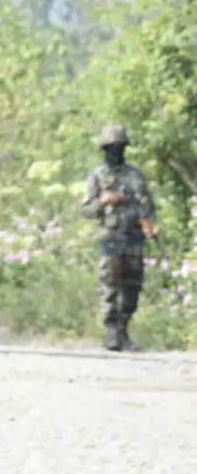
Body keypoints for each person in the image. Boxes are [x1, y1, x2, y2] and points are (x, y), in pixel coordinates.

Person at [80, 124, 158, 351]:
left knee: (132, 287)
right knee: (110, 286)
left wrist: (149, 225)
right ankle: (112, 332)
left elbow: (148, 206)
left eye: (120, 147)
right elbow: (86, 210)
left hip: (133, 237)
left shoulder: (135, 176)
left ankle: (123, 329)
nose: (116, 151)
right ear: (105, 149)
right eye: (111, 148)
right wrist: (104, 200)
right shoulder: (97, 177)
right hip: (111, 237)